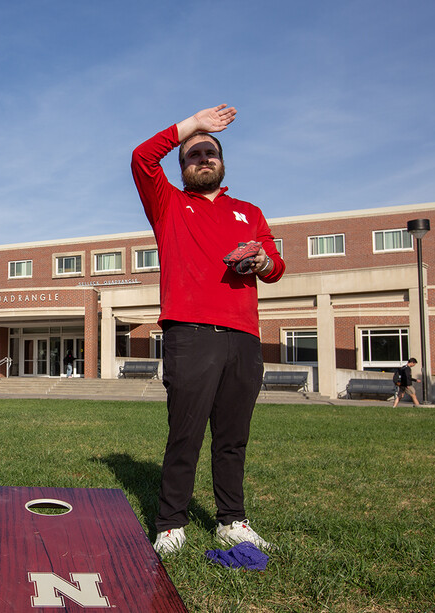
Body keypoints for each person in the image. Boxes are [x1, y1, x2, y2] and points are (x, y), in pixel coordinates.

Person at [131, 104, 286, 556]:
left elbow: (276, 266)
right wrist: (193, 125)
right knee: (186, 432)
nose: (202, 158)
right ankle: (171, 523)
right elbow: (141, 157)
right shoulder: (168, 204)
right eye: (193, 154)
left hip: (243, 336)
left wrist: (262, 262)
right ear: (181, 168)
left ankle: (232, 521)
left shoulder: (249, 212)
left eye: (209, 152)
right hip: (190, 333)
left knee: (233, 436)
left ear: (222, 162)